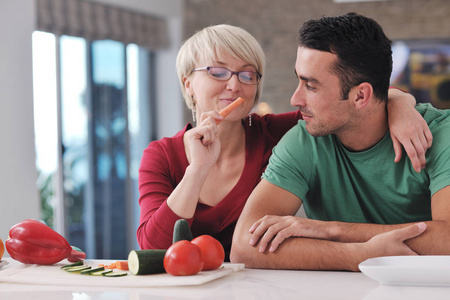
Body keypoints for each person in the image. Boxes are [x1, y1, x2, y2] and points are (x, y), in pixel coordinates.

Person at [137, 24, 432, 260]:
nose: (234, 84)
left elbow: (353, 103)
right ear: (188, 82)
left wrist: (400, 103)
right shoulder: (161, 155)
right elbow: (154, 246)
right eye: (218, 71)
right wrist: (198, 169)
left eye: (247, 74)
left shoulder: (280, 132)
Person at [230, 13, 450, 271]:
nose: (295, 99)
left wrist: (328, 230)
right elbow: (244, 247)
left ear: (360, 96)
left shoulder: (440, 135)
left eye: (311, 86)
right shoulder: (304, 141)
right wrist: (360, 254)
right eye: (298, 80)